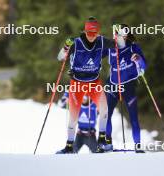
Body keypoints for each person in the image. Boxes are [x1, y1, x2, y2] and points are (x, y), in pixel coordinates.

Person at [57, 17, 118, 153]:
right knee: (73, 118)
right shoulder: (76, 43)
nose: (91, 37)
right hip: (77, 84)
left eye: (94, 34)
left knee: (104, 109)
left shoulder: (101, 41)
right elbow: (60, 57)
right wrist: (66, 46)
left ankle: (102, 140)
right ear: (85, 32)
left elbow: (119, 45)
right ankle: (68, 147)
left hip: (94, 83)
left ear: (98, 33)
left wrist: (118, 34)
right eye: (89, 33)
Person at [104, 24, 147, 153]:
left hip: (128, 85)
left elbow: (144, 65)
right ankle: (107, 143)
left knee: (134, 117)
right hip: (112, 84)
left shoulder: (133, 47)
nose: (118, 36)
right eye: (116, 34)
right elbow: (94, 55)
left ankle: (138, 145)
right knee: (106, 114)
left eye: (123, 34)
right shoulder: (110, 47)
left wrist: (138, 59)